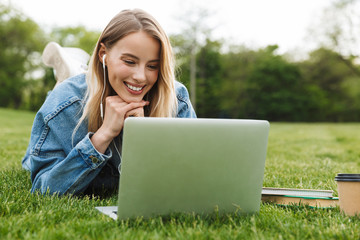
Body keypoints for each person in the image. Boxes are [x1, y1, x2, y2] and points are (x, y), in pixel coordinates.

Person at [22, 9, 196, 196]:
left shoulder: (175, 99)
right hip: (80, 94)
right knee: (29, 161)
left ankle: (78, 70)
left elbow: (192, 175)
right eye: (129, 62)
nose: (140, 77)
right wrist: (103, 135)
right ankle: (71, 74)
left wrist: (145, 137)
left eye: (152, 66)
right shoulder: (65, 103)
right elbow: (43, 189)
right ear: (103, 54)